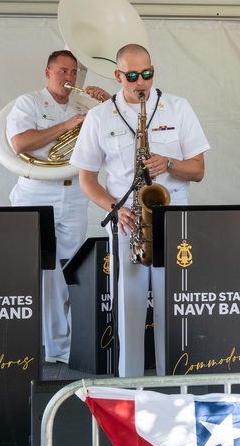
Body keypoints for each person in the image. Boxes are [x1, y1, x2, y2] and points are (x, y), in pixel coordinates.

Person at [71, 44, 210, 377]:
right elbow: (87, 180)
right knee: (129, 308)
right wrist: (115, 210)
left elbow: (199, 170)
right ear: (118, 76)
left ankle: (173, 383)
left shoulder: (177, 107)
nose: (140, 82)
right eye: (132, 76)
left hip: (174, 218)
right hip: (127, 219)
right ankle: (129, 386)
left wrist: (170, 163)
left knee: (172, 308)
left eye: (146, 74)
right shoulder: (99, 116)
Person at [5, 50, 110, 364]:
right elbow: (20, 143)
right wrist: (68, 125)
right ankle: (44, 345)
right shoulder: (29, 103)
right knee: (43, 271)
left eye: (74, 72)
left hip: (75, 192)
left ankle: (59, 346)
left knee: (66, 270)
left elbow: (114, 137)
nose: (69, 78)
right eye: (63, 71)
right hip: (37, 192)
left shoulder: (85, 106)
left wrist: (107, 105)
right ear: (48, 72)